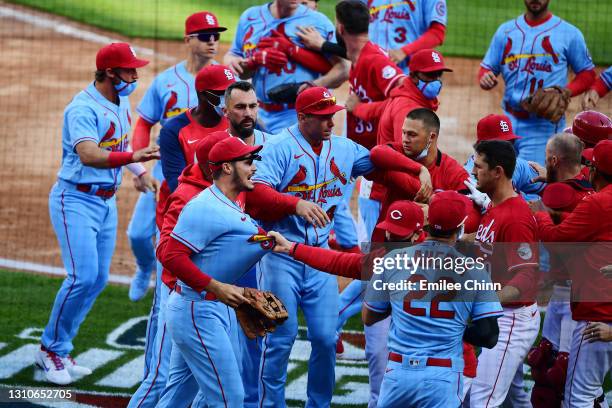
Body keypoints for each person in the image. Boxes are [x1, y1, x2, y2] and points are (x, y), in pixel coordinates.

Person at [36, 43, 159, 385]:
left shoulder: (120, 101)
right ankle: (48, 350)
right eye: (129, 71)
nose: (135, 76)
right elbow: (90, 154)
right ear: (109, 72)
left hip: (104, 203)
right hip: (74, 200)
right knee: (82, 276)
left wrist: (140, 173)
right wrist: (135, 157)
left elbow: (117, 148)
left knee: (98, 278)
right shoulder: (82, 108)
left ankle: (60, 349)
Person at [249, 87, 376, 407]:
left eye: (331, 116)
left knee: (325, 337)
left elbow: (379, 164)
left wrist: (420, 169)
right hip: (280, 257)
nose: (330, 123)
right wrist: (295, 205)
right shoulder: (277, 147)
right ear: (302, 117)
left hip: (321, 259)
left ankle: (318, 405)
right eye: (322, 118)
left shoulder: (343, 148)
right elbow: (256, 195)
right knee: (280, 338)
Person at [129, 65, 235, 407]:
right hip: (180, 240)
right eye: (225, 93)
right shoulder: (176, 130)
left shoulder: (236, 127)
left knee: (198, 374)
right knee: (163, 366)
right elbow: (178, 188)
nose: (231, 101)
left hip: (217, 248)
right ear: (207, 96)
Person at [159, 136, 273, 407]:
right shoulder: (204, 207)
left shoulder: (230, 202)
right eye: (247, 162)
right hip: (197, 310)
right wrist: (215, 286)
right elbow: (170, 255)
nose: (254, 167)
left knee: (179, 396)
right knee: (230, 398)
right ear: (226, 168)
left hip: (212, 308)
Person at [365, 191, 502, 407]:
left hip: (398, 373)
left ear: (427, 222)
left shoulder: (392, 260)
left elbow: (369, 316)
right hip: (442, 375)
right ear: (460, 227)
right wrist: (456, 328)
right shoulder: (474, 269)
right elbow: (489, 336)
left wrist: (400, 304)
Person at [128, 11, 226, 302]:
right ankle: (145, 268)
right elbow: (145, 122)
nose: (213, 42)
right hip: (166, 172)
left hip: (213, 177)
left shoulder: (226, 79)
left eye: (216, 36)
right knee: (137, 234)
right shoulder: (165, 81)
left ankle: (186, 287)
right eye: (206, 36)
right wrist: (139, 168)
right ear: (188, 39)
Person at [534, 139, 612, 408]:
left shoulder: (599, 204)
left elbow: (557, 238)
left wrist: (541, 214)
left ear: (594, 170)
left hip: (597, 316)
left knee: (577, 398)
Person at [468, 140, 541, 406]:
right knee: (514, 398)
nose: (473, 172)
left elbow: (525, 277)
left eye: (478, 166)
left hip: (510, 320)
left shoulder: (516, 218)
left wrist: (486, 301)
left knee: (480, 401)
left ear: (497, 172)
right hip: (499, 313)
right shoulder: (494, 206)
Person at [479, 0, 595, 165]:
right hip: (507, 122)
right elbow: (486, 68)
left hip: (543, 128)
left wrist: (565, 91)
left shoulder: (569, 34)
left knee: (530, 181)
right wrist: (486, 77)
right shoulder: (505, 31)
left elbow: (587, 73)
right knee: (495, 178)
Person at [224, 0, 349, 133]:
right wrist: (250, 61)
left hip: (298, 116)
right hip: (257, 115)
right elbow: (233, 58)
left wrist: (312, 85)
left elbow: (343, 68)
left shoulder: (318, 22)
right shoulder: (250, 17)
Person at [464, 114, 545, 197]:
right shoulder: (471, 177)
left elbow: (549, 189)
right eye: (501, 145)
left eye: (510, 143)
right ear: (482, 146)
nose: (507, 150)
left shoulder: (519, 165)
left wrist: (552, 178)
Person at [366, 0, 447, 72]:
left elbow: (437, 33)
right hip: (371, 67)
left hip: (409, 71)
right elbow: (356, 22)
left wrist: (404, 51)